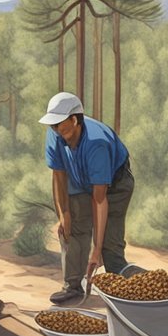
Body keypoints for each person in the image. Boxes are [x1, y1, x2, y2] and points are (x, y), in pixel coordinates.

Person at [40, 92, 135, 305]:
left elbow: (99, 199)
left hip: (114, 184)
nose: (55, 129)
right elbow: (58, 175)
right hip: (79, 177)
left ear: (74, 120)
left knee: (110, 243)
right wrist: (63, 213)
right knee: (71, 228)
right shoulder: (55, 132)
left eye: (59, 125)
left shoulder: (96, 143)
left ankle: (122, 290)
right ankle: (72, 286)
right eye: (53, 125)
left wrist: (97, 250)